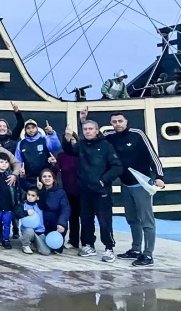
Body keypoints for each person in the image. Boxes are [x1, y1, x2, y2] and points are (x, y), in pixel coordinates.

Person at [101, 110, 164, 266]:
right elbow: (93, 140)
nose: (117, 124)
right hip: (125, 184)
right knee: (132, 218)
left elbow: (153, 155)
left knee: (146, 220)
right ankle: (136, 249)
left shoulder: (137, 134)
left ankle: (148, 254)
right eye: (114, 121)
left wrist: (160, 177)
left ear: (126, 121)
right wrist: (83, 121)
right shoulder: (109, 137)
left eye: (120, 121)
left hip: (142, 183)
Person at [62, 120, 123, 262]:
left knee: (104, 221)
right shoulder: (81, 144)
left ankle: (109, 248)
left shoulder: (106, 146)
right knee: (86, 221)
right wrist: (66, 138)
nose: (88, 131)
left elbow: (117, 167)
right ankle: (89, 245)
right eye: (85, 129)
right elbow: (69, 151)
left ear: (97, 130)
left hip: (102, 192)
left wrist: (103, 180)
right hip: (84, 191)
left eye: (91, 129)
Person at [14, 119, 61, 189]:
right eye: (28, 128)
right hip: (29, 180)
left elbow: (56, 147)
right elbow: (18, 161)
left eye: (33, 127)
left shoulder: (44, 139)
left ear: (37, 128)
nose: (31, 130)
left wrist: (51, 133)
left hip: (45, 178)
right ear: (25, 130)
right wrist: (20, 173)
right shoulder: (21, 143)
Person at [56, 130, 81, 249]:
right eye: (68, 140)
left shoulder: (82, 153)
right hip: (67, 191)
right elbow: (54, 170)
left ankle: (87, 242)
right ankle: (72, 241)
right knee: (71, 217)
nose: (71, 142)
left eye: (73, 140)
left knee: (85, 218)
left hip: (82, 191)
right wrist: (52, 164)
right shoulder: (61, 155)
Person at [37, 169, 70, 253]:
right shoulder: (38, 191)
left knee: (57, 249)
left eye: (49, 176)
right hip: (43, 224)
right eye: (44, 176)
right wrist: (41, 192)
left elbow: (65, 209)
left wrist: (61, 223)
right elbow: (40, 206)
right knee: (46, 250)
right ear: (41, 179)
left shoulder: (60, 192)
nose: (47, 178)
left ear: (53, 179)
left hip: (56, 223)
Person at [18, 187, 50, 255]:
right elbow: (16, 213)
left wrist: (41, 189)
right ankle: (25, 245)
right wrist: (26, 213)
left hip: (40, 232)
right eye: (28, 194)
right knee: (29, 231)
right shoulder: (23, 205)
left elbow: (44, 198)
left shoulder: (39, 205)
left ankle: (34, 243)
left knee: (46, 252)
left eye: (33, 195)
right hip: (28, 231)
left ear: (37, 197)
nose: (30, 197)